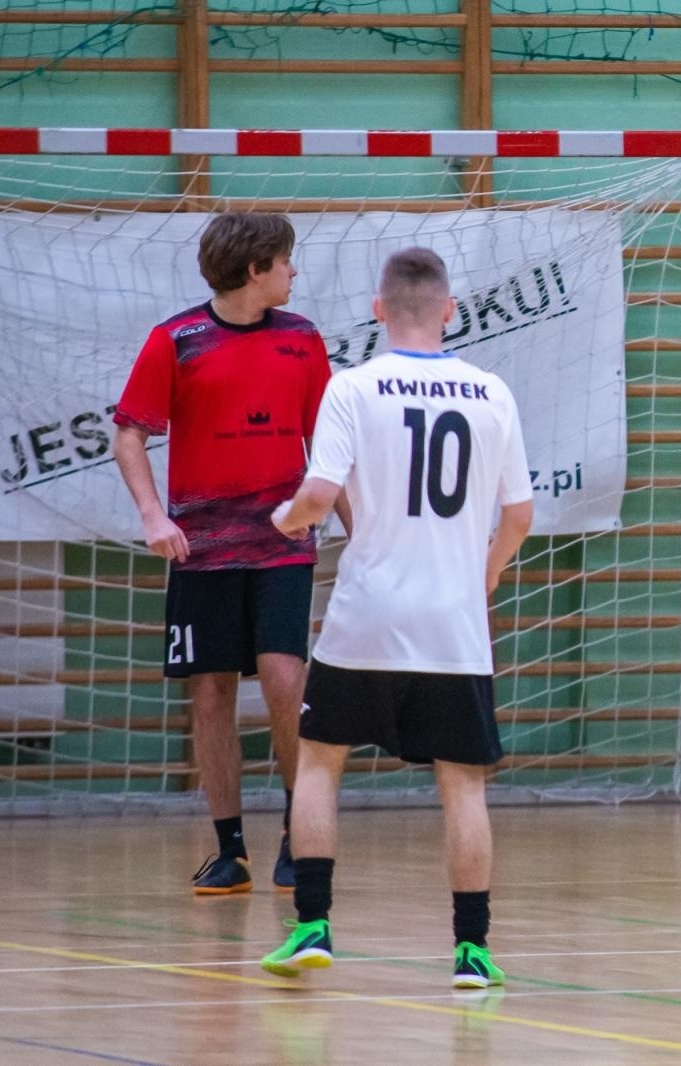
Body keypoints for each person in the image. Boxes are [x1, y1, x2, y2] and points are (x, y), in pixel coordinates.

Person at [259, 247, 533, 990]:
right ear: (449, 310)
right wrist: (482, 579)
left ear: (378, 310)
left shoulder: (353, 387)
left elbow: (318, 496)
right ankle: (470, 952)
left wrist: (286, 520)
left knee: (320, 760)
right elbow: (519, 514)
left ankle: (313, 926)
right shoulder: (491, 392)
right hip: (453, 622)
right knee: (463, 785)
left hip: (367, 616)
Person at [112, 212, 349, 893]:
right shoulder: (175, 340)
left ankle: (294, 833)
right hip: (202, 552)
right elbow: (129, 436)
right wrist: (153, 515)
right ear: (256, 270)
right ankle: (228, 848)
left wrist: (361, 533)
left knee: (283, 678)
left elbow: (329, 453)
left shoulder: (302, 341)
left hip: (282, 545)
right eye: (285, 261)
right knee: (211, 693)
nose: (293, 272)